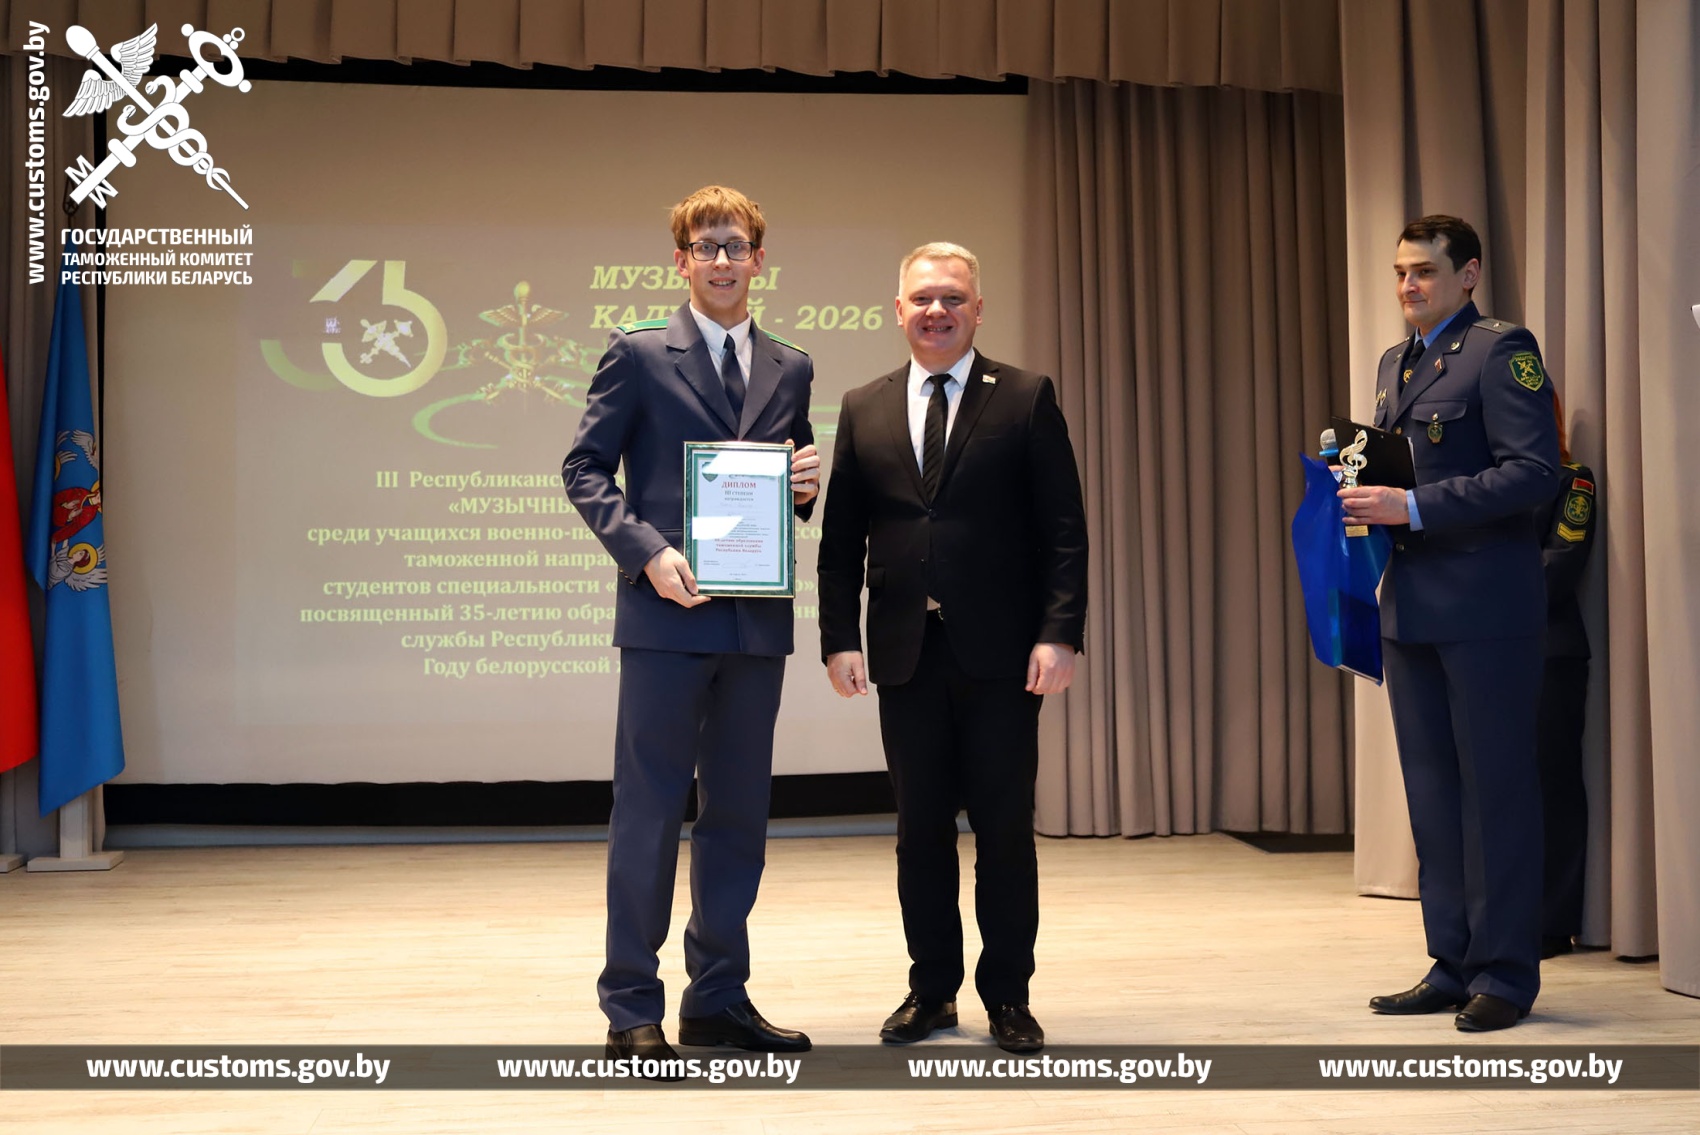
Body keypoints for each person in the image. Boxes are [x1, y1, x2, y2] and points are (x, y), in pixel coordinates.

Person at [562, 185, 819, 1070]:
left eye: (735, 245)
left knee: (738, 817)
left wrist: (804, 487)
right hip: (666, 619)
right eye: (704, 246)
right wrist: (646, 551)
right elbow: (584, 468)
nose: (721, 260)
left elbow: (788, 482)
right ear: (680, 261)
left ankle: (716, 999)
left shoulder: (792, 365)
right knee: (649, 812)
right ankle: (631, 1004)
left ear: (759, 259)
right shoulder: (638, 353)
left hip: (756, 624)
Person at [816, 242, 1087, 1053]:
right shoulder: (863, 405)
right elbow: (841, 541)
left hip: (1003, 654)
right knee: (919, 832)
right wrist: (838, 637)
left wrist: (1060, 631)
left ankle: (1008, 995)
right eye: (924, 298)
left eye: (954, 298)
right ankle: (931, 989)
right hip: (906, 653)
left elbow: (1063, 531)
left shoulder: (1026, 397)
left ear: (978, 309)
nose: (938, 311)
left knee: (1003, 830)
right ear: (898, 310)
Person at [1339, 215, 1560, 1032]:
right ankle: (1453, 960)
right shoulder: (1394, 361)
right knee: (1433, 796)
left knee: (1496, 794)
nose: (1408, 285)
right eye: (1401, 271)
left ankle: (1506, 974)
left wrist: (1414, 505)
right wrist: (1356, 496)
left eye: (1425, 271)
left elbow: (1534, 473)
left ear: (1468, 274)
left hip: (1487, 609)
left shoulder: (1502, 351)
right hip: (1411, 607)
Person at [1533, 390, 1597, 958]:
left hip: (1550, 653)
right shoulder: (1486, 483)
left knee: (1552, 785)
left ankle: (1553, 921)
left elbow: (1559, 564)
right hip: (1489, 655)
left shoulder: (1571, 480)